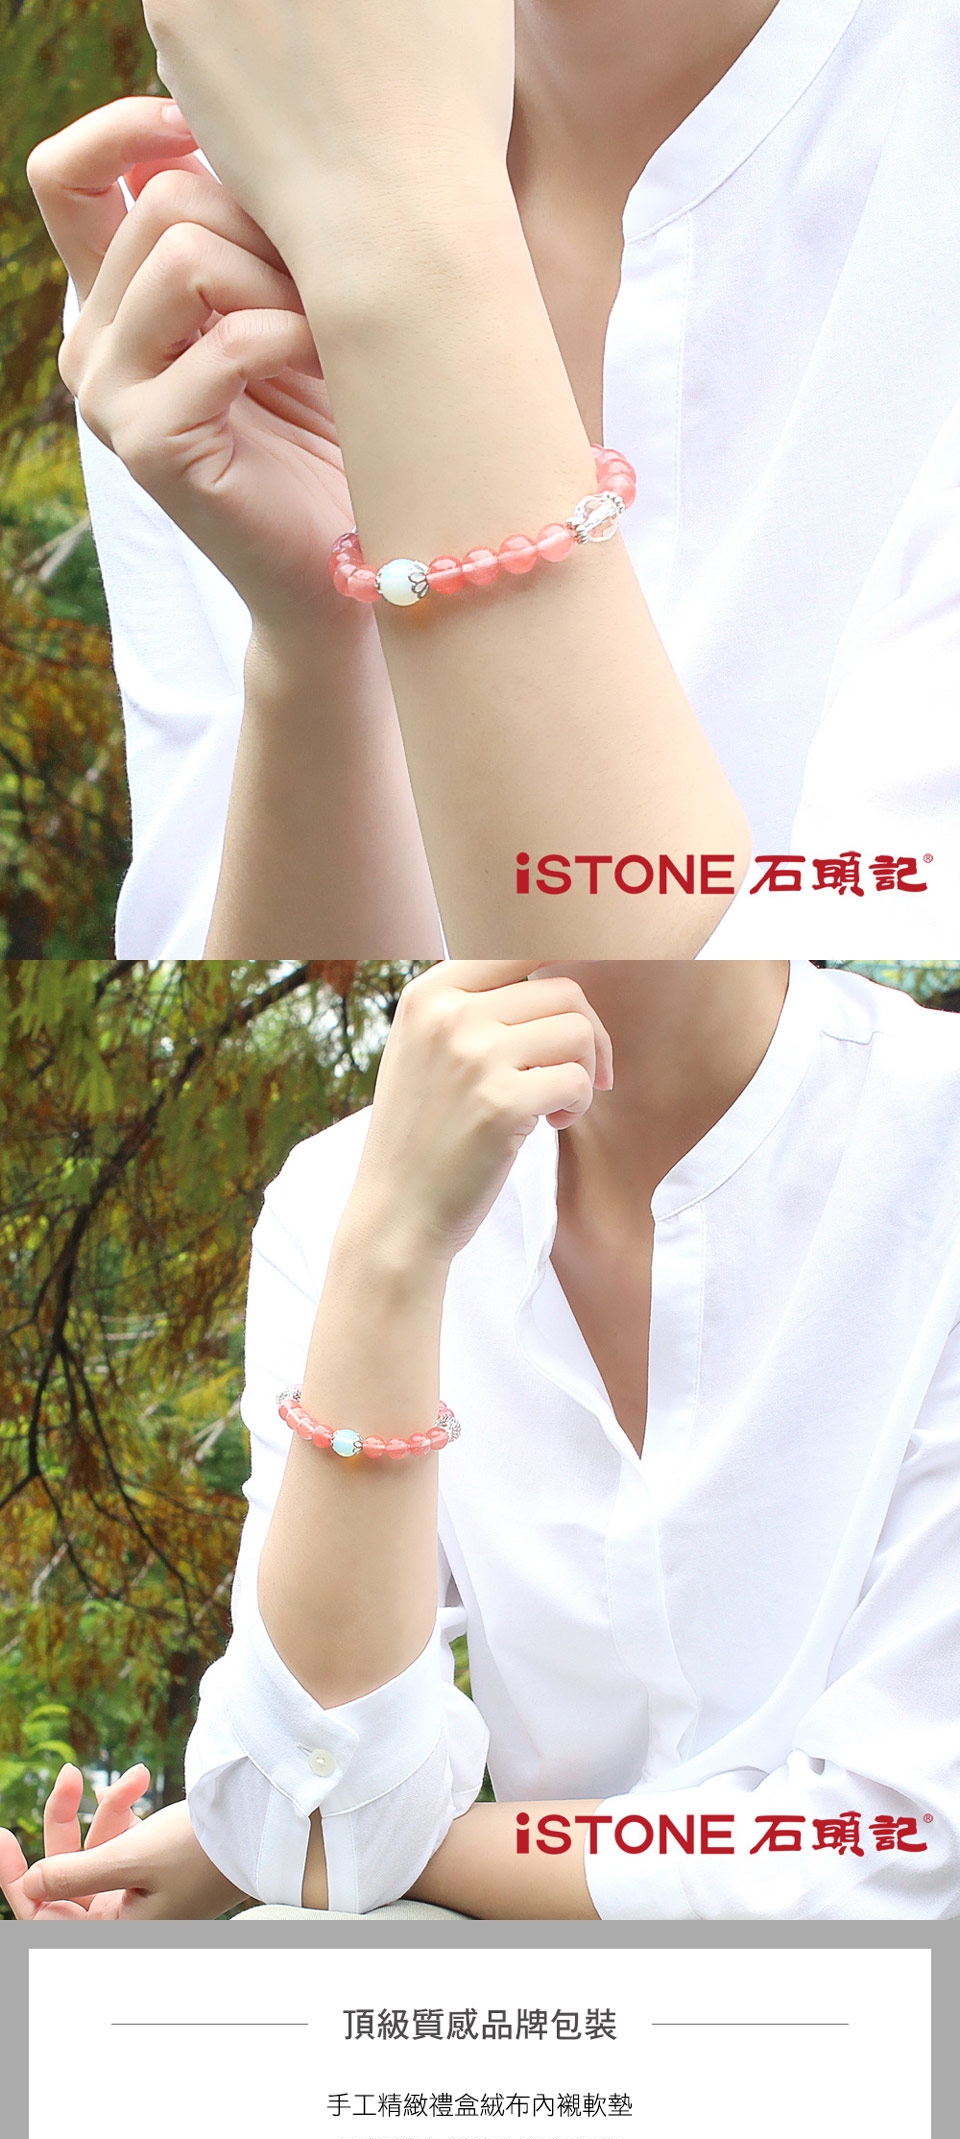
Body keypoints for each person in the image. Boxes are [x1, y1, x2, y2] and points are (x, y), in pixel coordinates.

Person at [6, 956, 960, 1927]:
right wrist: (392, 1250)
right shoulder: (352, 1191)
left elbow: (899, 1854)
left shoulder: (932, 1129)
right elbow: (315, 1802)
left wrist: (354, 1853)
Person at [25, 0, 960, 962]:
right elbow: (245, 971)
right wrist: (316, 650)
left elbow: (845, 981)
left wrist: (407, 256)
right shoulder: (195, 250)